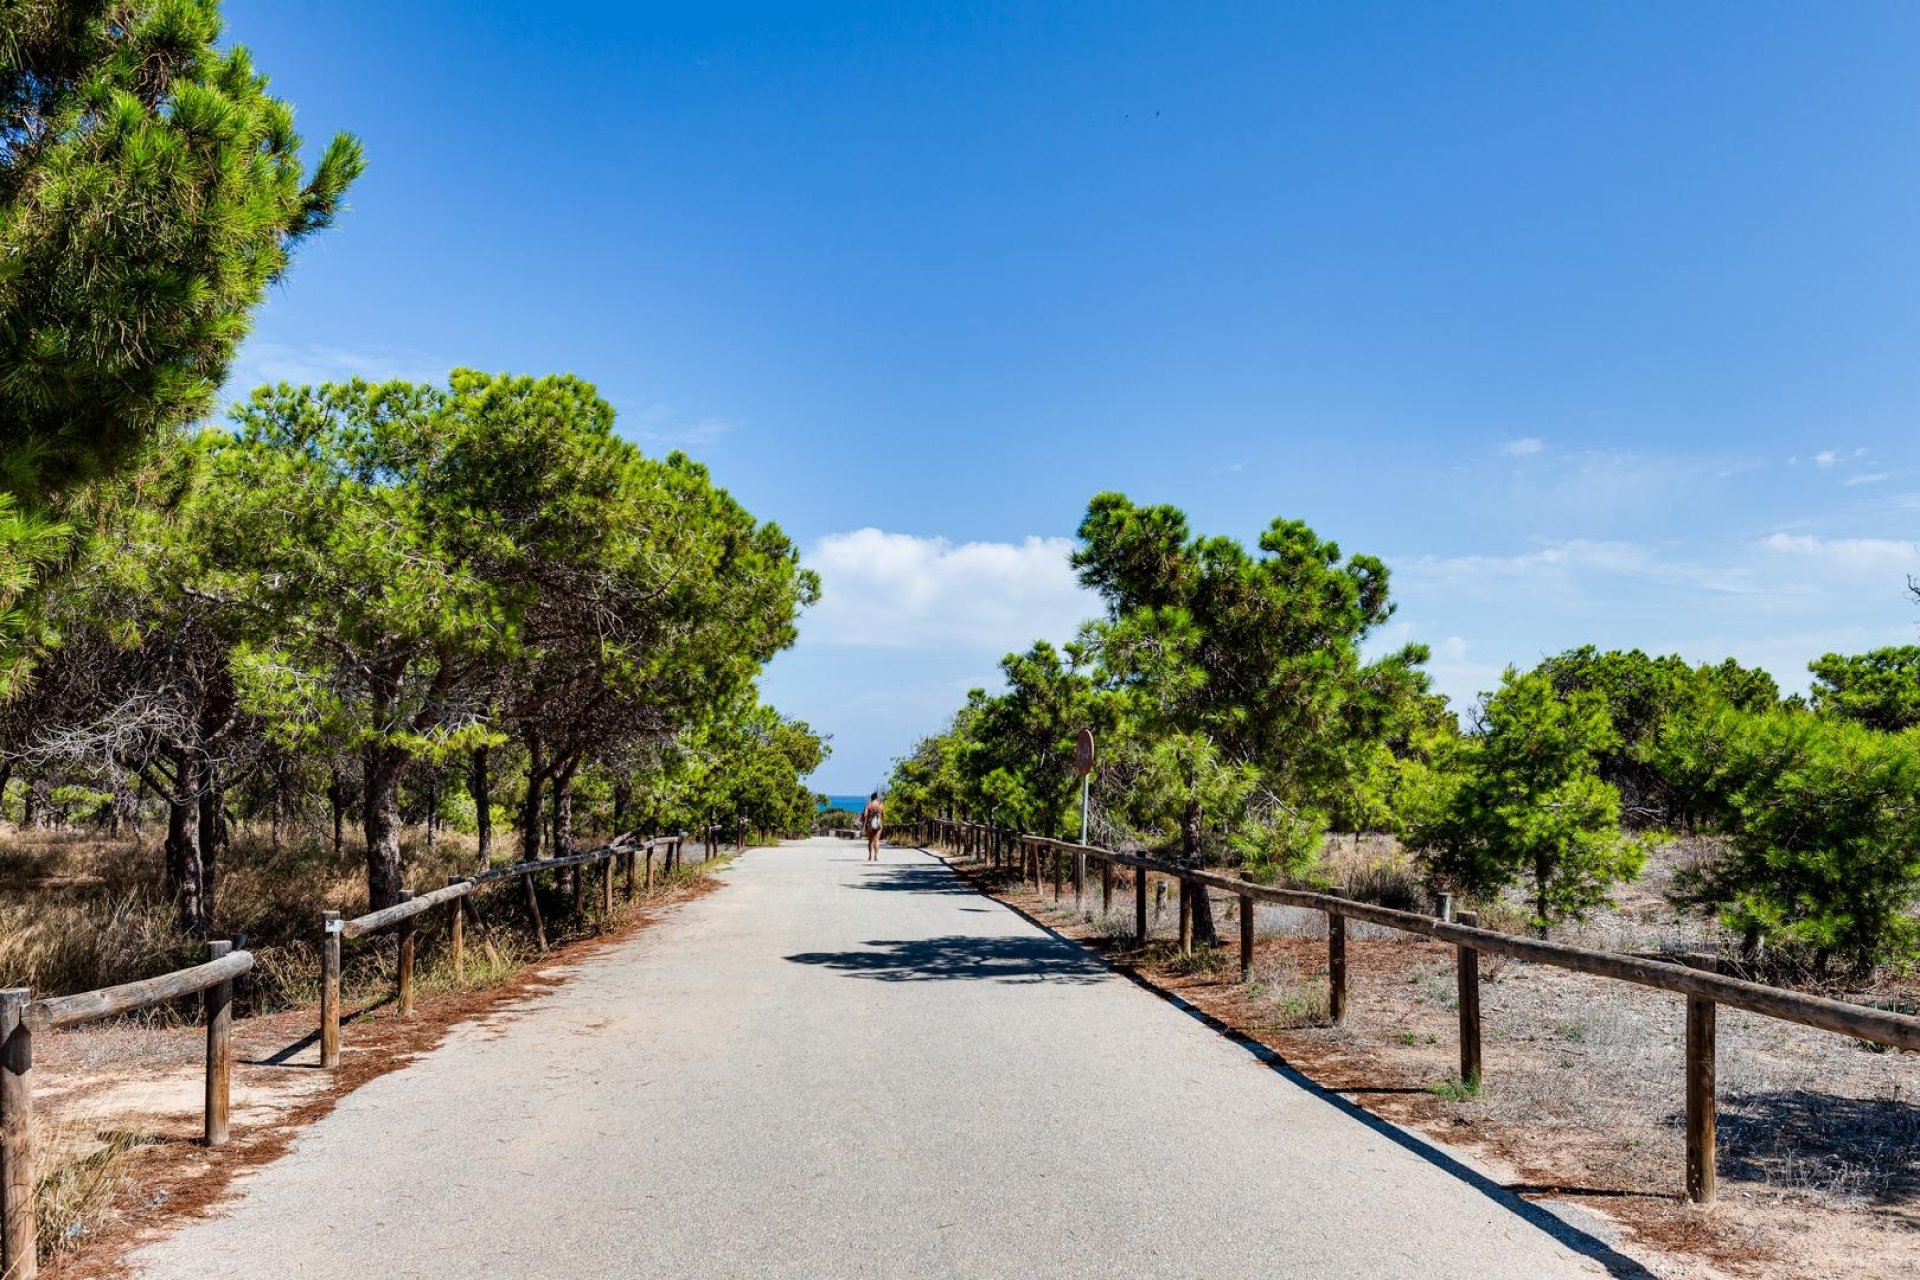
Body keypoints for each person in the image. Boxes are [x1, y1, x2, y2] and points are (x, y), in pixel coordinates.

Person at [862, 791, 885, 861]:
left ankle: (869, 856)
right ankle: (876, 856)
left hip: (870, 824)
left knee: (870, 841)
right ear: (877, 798)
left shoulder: (869, 805)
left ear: (871, 798)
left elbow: (865, 815)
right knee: (877, 840)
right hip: (878, 823)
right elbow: (883, 815)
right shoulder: (880, 805)